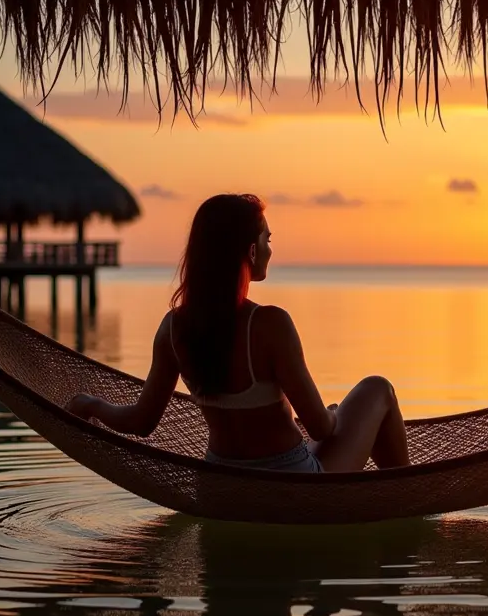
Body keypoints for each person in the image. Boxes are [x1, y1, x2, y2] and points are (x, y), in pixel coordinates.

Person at [65, 194, 409, 473]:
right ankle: (406, 497)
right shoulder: (270, 324)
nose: (272, 249)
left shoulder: (173, 329)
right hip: (293, 487)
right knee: (378, 389)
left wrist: (92, 404)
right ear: (251, 249)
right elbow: (320, 428)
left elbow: (141, 422)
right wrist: (336, 415)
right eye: (267, 239)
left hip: (222, 485)